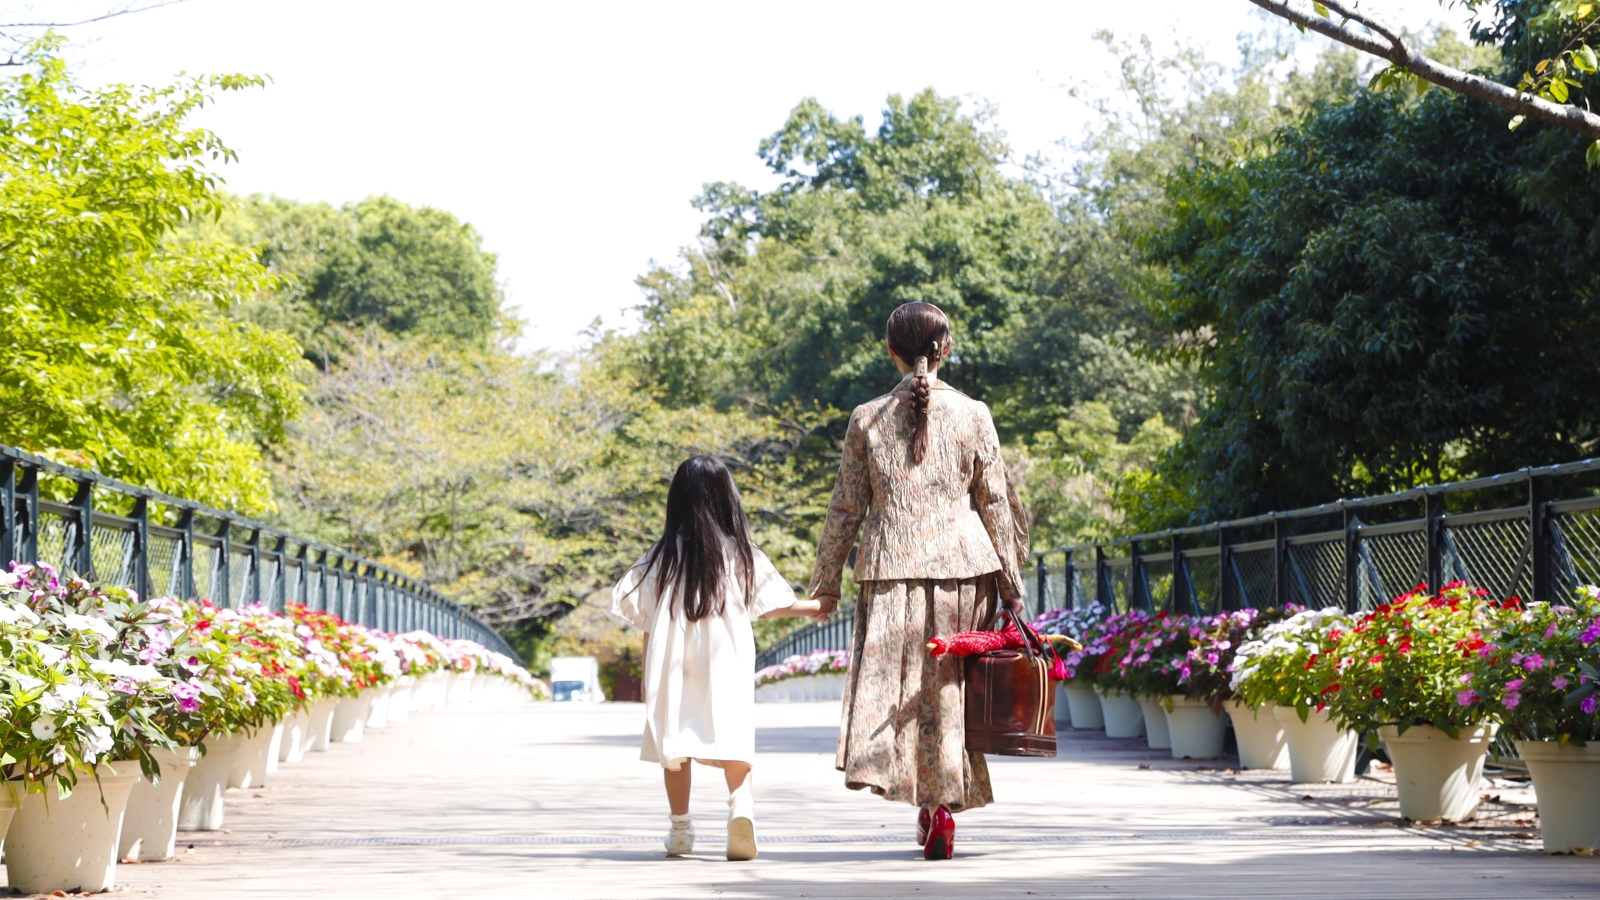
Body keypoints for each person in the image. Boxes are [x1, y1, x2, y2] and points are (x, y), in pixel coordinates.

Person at [808, 301, 1024, 861]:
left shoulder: (866, 418)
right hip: (964, 570)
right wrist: (1013, 583)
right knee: (948, 693)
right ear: (945, 348)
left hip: (889, 572)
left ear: (891, 351)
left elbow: (845, 508)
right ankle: (943, 809)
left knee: (901, 694)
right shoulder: (975, 413)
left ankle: (924, 805)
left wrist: (824, 582)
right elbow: (995, 503)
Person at [610, 455, 828, 861]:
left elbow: (643, 616)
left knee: (674, 741)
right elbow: (772, 604)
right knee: (732, 729)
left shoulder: (662, 556)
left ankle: (680, 830)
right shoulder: (740, 553)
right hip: (727, 655)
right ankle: (741, 805)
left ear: (678, 500)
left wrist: (646, 674)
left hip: (672, 658)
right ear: (727, 498)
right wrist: (815, 605)